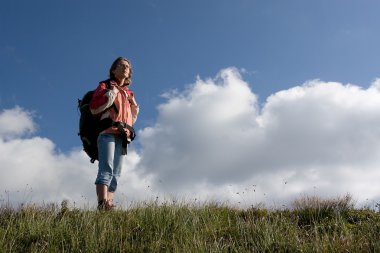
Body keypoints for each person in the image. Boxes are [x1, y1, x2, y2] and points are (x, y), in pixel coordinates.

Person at [89, 57, 139, 210]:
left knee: (116, 173)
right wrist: (111, 93)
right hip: (107, 133)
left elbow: (131, 118)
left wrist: (135, 108)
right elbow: (94, 108)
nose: (125, 68)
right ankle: (102, 203)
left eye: (128, 67)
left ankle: (109, 204)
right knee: (106, 169)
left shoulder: (129, 93)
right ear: (113, 70)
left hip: (123, 136)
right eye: (121, 65)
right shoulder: (105, 86)